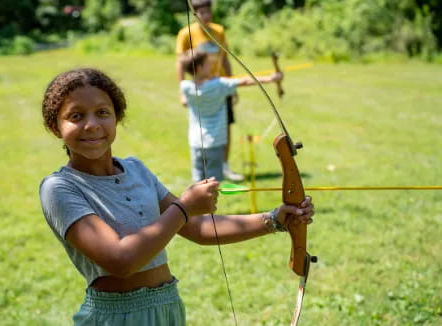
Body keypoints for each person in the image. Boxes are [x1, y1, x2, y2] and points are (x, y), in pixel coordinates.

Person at [39, 67, 312, 326]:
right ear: (55, 127)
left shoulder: (135, 169)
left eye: (102, 112)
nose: (92, 125)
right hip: (117, 316)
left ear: (117, 117)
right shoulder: (60, 188)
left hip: (168, 306)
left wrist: (275, 219)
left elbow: (197, 227)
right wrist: (183, 208)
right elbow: (122, 261)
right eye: (76, 116)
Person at [180, 51, 283, 183]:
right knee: (212, 183)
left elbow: (197, 86)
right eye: (207, 65)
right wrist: (271, 78)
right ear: (199, 68)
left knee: (198, 180)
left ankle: (196, 203)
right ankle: (210, 204)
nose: (210, 67)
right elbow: (244, 81)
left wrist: (210, 79)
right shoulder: (218, 85)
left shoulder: (185, 87)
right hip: (214, 142)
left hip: (195, 142)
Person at [176, 0, 243, 181]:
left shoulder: (218, 31)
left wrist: (232, 85)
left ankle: (224, 165)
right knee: (203, 125)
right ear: (195, 14)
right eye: (202, 12)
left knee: (225, 126)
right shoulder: (185, 34)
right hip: (203, 89)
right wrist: (182, 91)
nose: (206, 16)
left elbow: (225, 58)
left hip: (221, 87)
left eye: (208, 12)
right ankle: (203, 167)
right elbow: (181, 63)